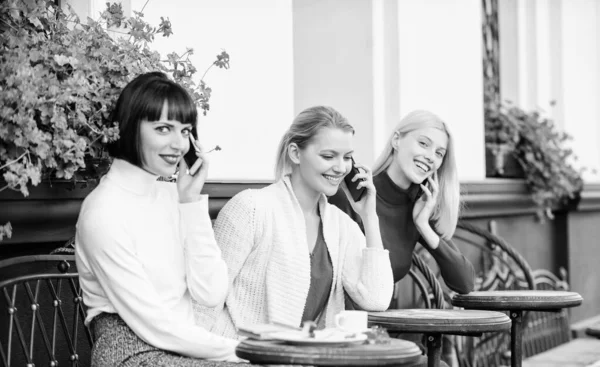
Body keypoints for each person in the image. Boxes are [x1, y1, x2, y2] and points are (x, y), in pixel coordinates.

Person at [75, 72, 240, 366]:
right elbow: (156, 325)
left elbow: (211, 292)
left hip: (182, 348)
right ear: (129, 128)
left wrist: (190, 203)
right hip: (132, 354)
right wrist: (245, 352)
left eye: (186, 131)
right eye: (164, 128)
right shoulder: (103, 212)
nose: (179, 145)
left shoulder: (172, 196)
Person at [195, 106, 394, 338]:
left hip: (303, 357)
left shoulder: (342, 226)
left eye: (347, 157)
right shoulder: (250, 208)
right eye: (328, 156)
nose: (341, 167)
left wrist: (369, 216)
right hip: (237, 356)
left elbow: (377, 298)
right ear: (295, 153)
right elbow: (205, 305)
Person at [329, 110, 475, 306]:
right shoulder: (352, 193)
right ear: (396, 140)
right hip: (340, 325)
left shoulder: (418, 207)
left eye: (439, 153)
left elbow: (465, 282)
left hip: (385, 325)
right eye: (423, 144)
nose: (431, 157)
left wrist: (423, 226)